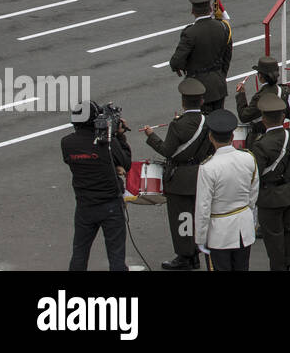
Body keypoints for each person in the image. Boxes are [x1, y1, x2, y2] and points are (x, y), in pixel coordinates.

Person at [143, 78, 214, 270]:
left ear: (183, 102)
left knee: (181, 218)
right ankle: (198, 252)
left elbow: (167, 151)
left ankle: (186, 256)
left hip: (180, 178)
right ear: (201, 101)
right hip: (200, 175)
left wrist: (151, 136)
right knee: (198, 215)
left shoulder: (177, 125)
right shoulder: (208, 121)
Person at [62, 100, 131, 271]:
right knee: (116, 257)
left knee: (79, 254)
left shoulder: (67, 143)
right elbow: (126, 163)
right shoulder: (107, 143)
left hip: (84, 205)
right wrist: (119, 136)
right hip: (110, 206)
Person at [193, 109, 259, 271]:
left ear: (210, 138)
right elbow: (253, 194)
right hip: (244, 228)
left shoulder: (208, 168)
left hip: (219, 234)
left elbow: (203, 206)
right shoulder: (248, 158)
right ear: (233, 136)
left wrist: (200, 238)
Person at [247, 92, 290, 271]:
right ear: (282, 116)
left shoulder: (261, 144)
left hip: (270, 197)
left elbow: (255, 174)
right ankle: (287, 264)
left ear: (263, 119)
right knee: (287, 230)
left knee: (274, 239)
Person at [170, 0, 232, 115]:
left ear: (192, 10)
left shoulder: (190, 33)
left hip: (198, 89)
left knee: (203, 127)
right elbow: (227, 56)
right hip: (219, 85)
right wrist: (220, 75)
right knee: (218, 125)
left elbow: (176, 62)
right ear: (210, 9)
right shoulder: (223, 27)